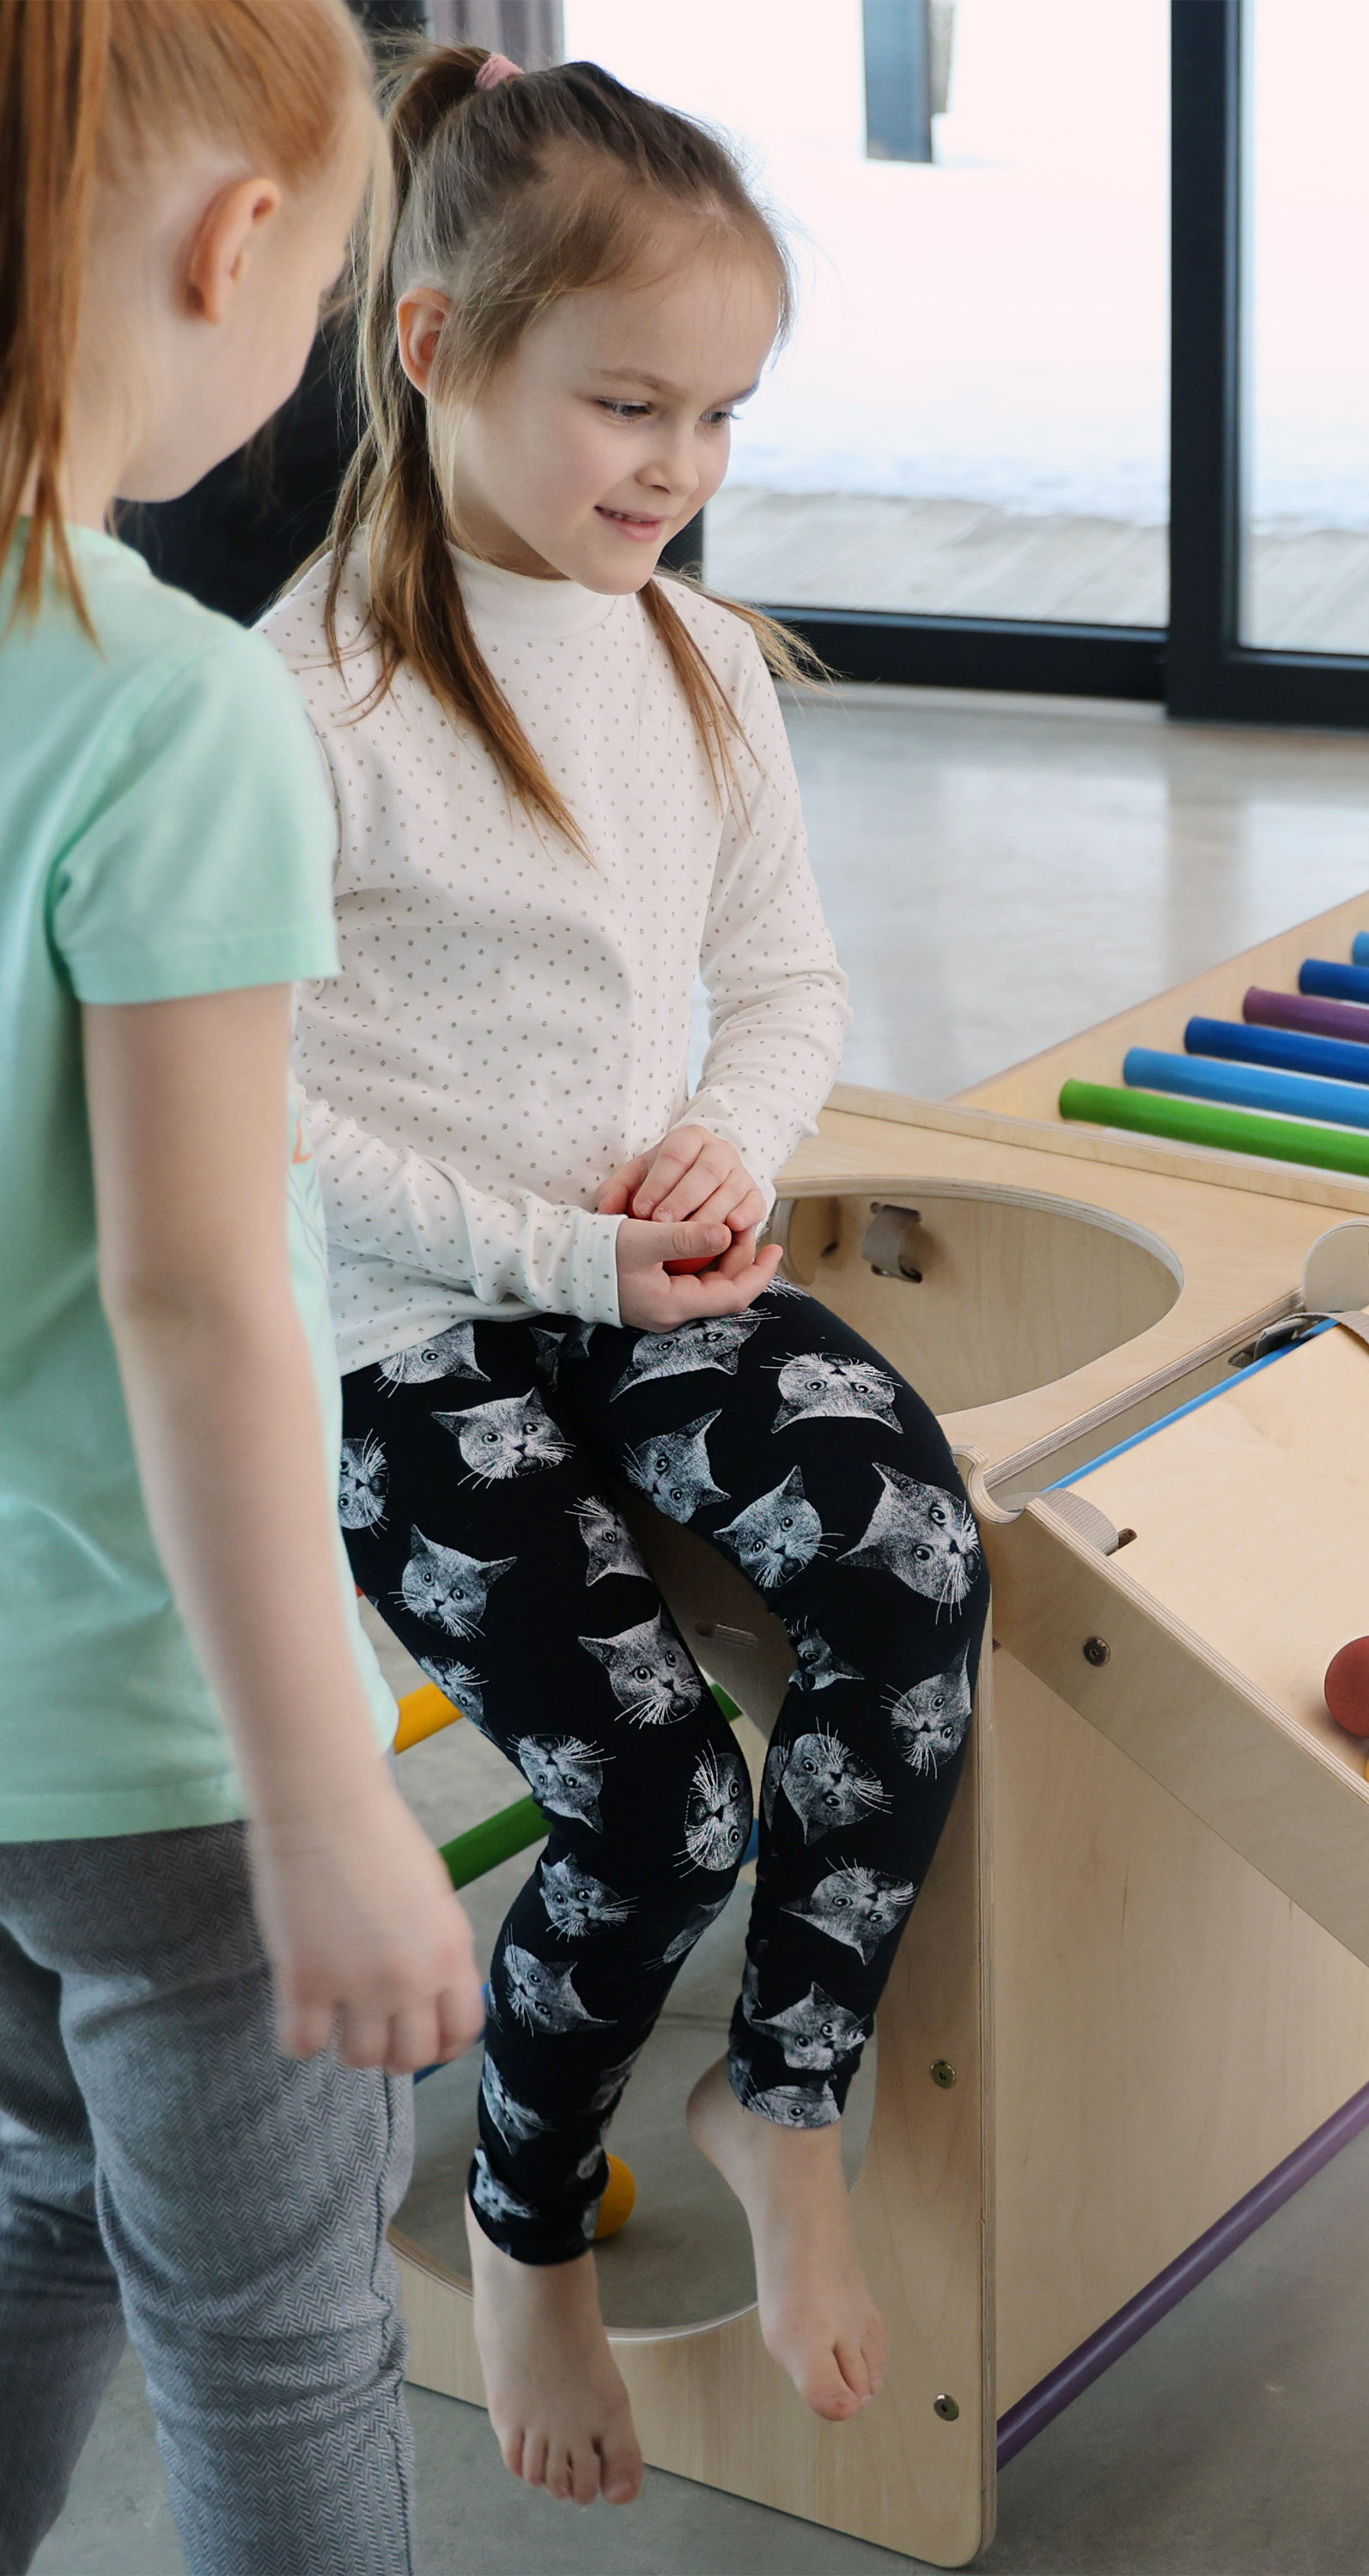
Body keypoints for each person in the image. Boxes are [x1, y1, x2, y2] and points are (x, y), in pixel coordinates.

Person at [264, 44, 989, 2512]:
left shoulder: (688, 660)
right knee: (657, 1803)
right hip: (407, 1328)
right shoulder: (309, 699)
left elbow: (784, 985)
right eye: (629, 405)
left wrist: (728, 1144)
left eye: (723, 417)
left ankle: (781, 2091)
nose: (676, 470)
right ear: (437, 343)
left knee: (912, 1555)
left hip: (638, 1274)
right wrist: (563, 1244)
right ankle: (527, 2220)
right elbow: (261, 1102)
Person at [0, 6, 485, 2573]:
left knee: (36, 2196)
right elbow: (197, 1300)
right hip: (154, 1747)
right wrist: (326, 1801)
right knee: (278, 2326)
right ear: (238, 246)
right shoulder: (169, 716)